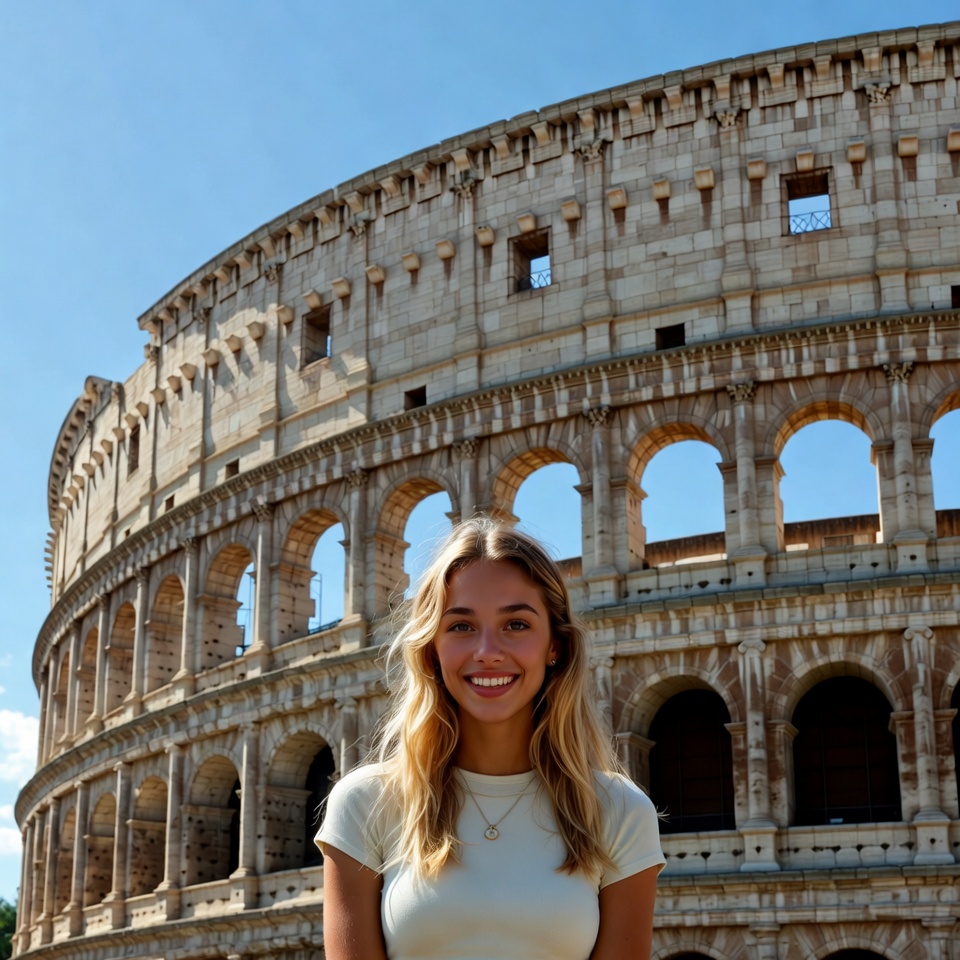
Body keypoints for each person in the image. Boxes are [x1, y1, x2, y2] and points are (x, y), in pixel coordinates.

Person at [316, 517, 664, 959]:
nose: (487, 652)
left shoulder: (620, 812)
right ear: (432, 648)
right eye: (461, 626)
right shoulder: (366, 802)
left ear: (554, 646)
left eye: (516, 624)